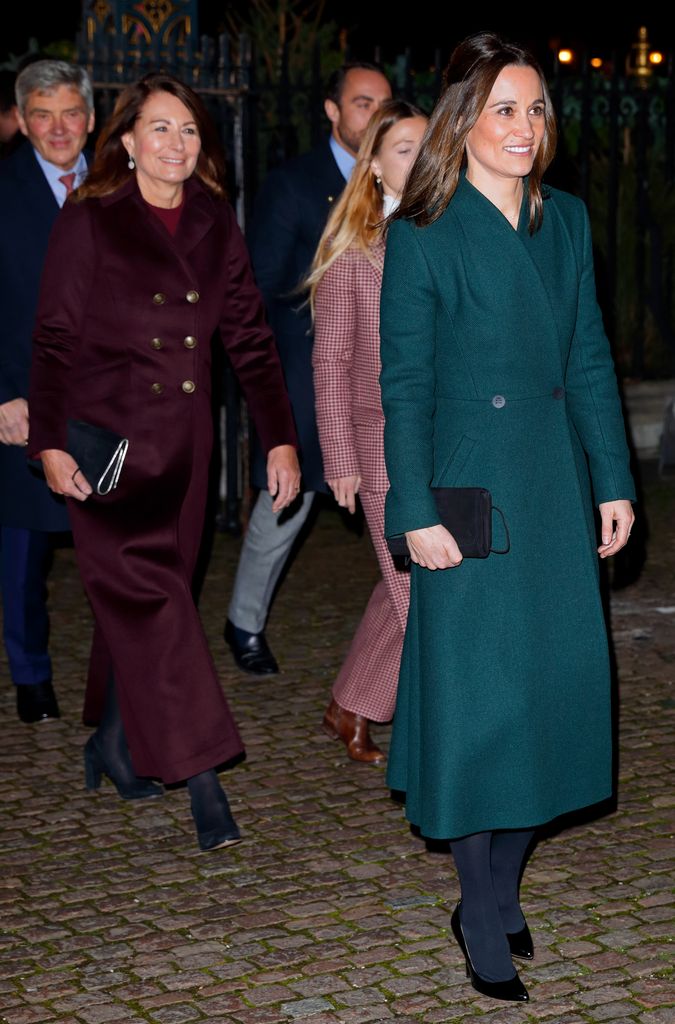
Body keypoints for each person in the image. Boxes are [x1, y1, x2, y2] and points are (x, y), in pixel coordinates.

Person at [379, 33, 635, 1001]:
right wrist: (411, 508)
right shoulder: (424, 230)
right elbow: (401, 385)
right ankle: (481, 906)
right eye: (503, 111)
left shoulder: (566, 221)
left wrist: (613, 479)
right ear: (463, 122)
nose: (524, 129)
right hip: (466, 488)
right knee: (482, 709)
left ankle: (499, 879)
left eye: (535, 110)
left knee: (561, 698)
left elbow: (590, 360)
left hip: (554, 483)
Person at [28, 73, 300, 851]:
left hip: (183, 454)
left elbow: (248, 336)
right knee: (158, 607)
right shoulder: (92, 221)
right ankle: (202, 776)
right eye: (159, 129)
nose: (175, 144)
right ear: (125, 141)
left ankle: (113, 745)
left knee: (154, 606)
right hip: (105, 456)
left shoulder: (216, 222)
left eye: (188, 130)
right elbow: (50, 340)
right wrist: (48, 442)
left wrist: (279, 436)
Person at [224, 62, 391, 678]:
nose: (373, 115)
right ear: (332, 109)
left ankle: (408, 624)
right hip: (306, 374)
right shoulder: (295, 184)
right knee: (285, 506)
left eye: (383, 104)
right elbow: (261, 288)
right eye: (361, 103)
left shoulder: (397, 178)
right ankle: (243, 622)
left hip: (380, 384)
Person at [307, 100, 427, 763]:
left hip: (444, 446)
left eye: (427, 145)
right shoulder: (352, 250)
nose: (420, 157)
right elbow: (331, 361)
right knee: (424, 599)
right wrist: (340, 459)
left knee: (403, 580)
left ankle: (348, 705)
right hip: (380, 449)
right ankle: (442, 745)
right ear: (374, 164)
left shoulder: (449, 234)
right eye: (404, 147)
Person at [0, 60, 94, 723]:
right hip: (22, 401)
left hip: (113, 404)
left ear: (89, 116)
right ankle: (29, 671)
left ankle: (123, 677)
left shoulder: (124, 186)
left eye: (69, 112)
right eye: (42, 113)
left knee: (117, 552)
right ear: (21, 120)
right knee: (23, 552)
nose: (57, 128)